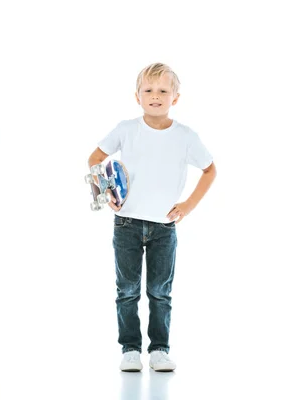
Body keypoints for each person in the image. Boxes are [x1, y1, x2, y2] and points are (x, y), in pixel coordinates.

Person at [87, 63, 217, 372]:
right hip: (127, 224)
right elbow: (95, 159)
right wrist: (103, 194)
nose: (155, 96)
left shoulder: (185, 136)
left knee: (160, 291)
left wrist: (188, 205)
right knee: (127, 290)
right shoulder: (125, 129)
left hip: (164, 227)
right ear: (137, 96)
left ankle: (159, 349)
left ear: (176, 97)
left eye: (163, 91)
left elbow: (210, 170)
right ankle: (130, 349)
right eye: (148, 90)